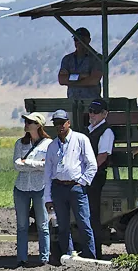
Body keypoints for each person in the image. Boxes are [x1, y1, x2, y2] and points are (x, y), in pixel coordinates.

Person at [42, 109, 98, 262]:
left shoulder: (81, 139)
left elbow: (92, 164)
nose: (60, 126)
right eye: (56, 124)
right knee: (63, 226)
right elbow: (48, 172)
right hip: (58, 188)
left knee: (84, 223)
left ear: (68, 123)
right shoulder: (52, 146)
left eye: (62, 123)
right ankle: (67, 258)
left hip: (76, 187)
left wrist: (82, 182)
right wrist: (48, 197)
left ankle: (90, 257)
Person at [12, 113, 52, 267]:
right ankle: (21, 258)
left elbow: (47, 166)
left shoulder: (48, 144)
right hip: (21, 188)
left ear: (38, 125)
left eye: (30, 122)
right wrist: (36, 164)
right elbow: (16, 165)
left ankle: (44, 257)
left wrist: (27, 163)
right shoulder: (20, 143)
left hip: (40, 188)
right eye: (26, 121)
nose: (26, 124)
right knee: (22, 225)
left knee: (42, 223)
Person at [82, 99, 114, 235]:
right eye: (90, 111)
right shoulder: (87, 130)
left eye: (95, 112)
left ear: (104, 114)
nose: (92, 114)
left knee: (93, 212)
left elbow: (102, 157)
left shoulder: (106, 132)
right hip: (86, 175)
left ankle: (95, 250)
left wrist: (87, 173)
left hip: (96, 176)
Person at [58, 28, 104, 101]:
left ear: (89, 40)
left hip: (91, 104)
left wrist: (71, 81)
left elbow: (94, 80)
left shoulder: (97, 58)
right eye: (76, 39)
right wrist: (81, 76)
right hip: (72, 103)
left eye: (82, 39)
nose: (79, 42)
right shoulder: (67, 59)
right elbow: (62, 80)